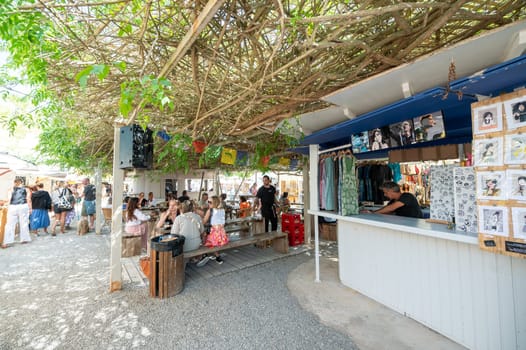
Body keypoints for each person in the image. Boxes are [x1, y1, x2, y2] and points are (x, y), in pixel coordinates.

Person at [2, 178, 32, 248]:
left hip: (13, 207)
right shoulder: (27, 189)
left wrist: (8, 207)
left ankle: (6, 242)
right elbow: (28, 199)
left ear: (14, 182)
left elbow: (9, 200)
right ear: (22, 182)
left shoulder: (11, 189)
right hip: (23, 206)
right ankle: (24, 239)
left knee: (9, 224)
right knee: (24, 223)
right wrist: (30, 208)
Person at [200, 195, 229, 266]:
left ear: (215, 203)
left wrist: (200, 218)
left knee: (204, 236)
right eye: (208, 202)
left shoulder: (210, 210)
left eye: (210, 202)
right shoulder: (222, 210)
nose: (208, 203)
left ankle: (214, 256)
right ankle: (210, 254)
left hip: (214, 233)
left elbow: (203, 221)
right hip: (222, 233)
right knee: (209, 239)